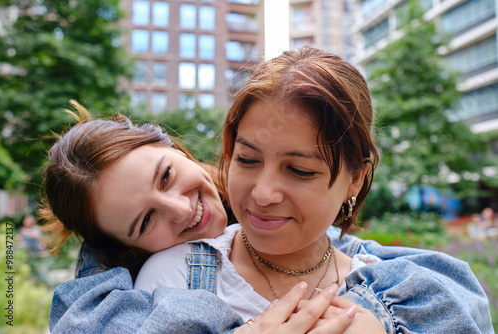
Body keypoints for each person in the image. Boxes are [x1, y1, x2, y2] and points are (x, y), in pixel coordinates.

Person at [135, 46, 493, 333]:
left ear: (355, 178)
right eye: (246, 159)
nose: (263, 193)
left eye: (299, 170)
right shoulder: (174, 277)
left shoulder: (411, 293)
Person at [42, 101, 359, 333]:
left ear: (177, 148)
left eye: (166, 175)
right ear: (129, 248)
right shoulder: (157, 285)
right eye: (146, 221)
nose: (181, 209)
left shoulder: (355, 257)